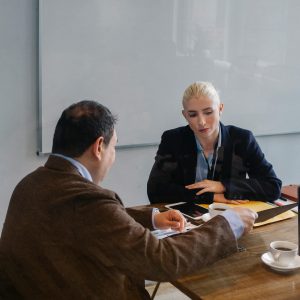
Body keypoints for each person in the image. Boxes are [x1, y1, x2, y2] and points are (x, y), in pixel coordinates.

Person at [0, 100, 257, 299]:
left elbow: (79, 221)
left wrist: (152, 218)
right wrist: (227, 223)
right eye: (114, 147)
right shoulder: (88, 202)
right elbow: (163, 260)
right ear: (99, 147)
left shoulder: (31, 184)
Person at [147, 81, 282, 204]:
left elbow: (272, 186)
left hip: (231, 218)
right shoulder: (173, 139)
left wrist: (223, 186)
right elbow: (155, 191)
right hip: (186, 219)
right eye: (193, 115)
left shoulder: (242, 139)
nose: (201, 122)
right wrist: (211, 197)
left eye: (208, 112)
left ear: (220, 109)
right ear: (185, 115)